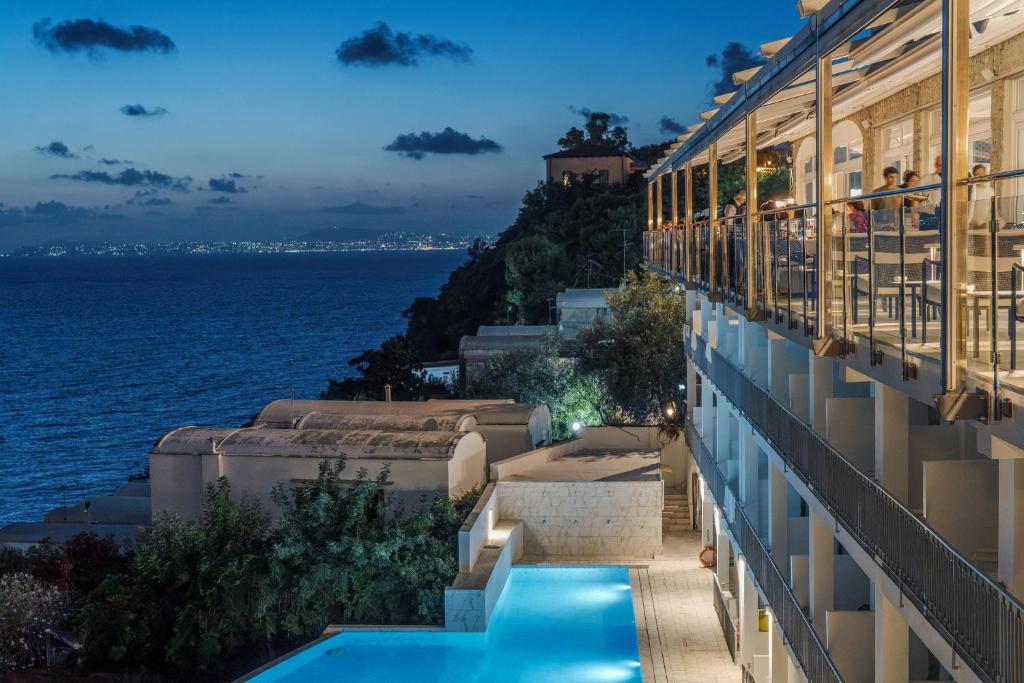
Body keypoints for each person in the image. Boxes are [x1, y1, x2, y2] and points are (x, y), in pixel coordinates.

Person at [723, 189, 747, 289]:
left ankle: (736, 281)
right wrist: (732, 233)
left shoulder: (738, 206)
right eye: (744, 198)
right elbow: (728, 222)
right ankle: (733, 281)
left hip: (736, 235)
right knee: (735, 258)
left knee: (737, 258)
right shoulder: (731, 206)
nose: (745, 200)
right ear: (739, 196)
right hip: (733, 236)